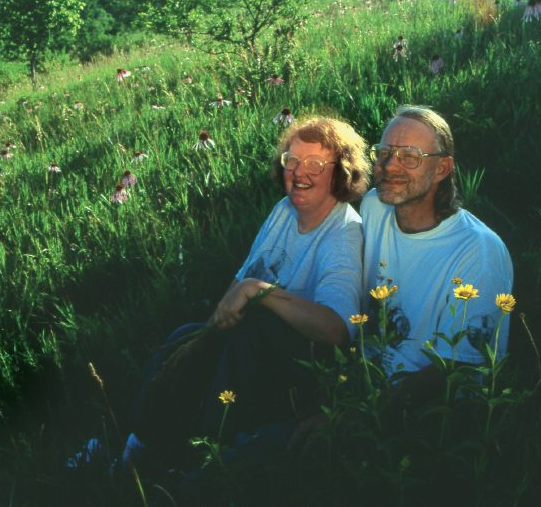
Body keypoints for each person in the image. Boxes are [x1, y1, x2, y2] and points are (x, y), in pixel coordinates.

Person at [126, 116, 373, 468]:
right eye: (292, 160)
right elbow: (240, 281)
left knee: (256, 322)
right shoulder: (285, 211)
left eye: (316, 164)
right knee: (185, 337)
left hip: (303, 375)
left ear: (341, 173)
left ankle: (205, 460)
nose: (299, 173)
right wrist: (211, 331)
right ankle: (136, 447)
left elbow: (336, 329)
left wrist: (259, 291)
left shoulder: (343, 235)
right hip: (255, 352)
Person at [358, 105, 513, 401]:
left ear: (442, 168)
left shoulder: (478, 251)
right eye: (383, 153)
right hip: (361, 379)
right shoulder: (374, 206)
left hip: (426, 414)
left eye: (410, 156)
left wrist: (363, 413)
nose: (390, 165)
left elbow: (459, 368)